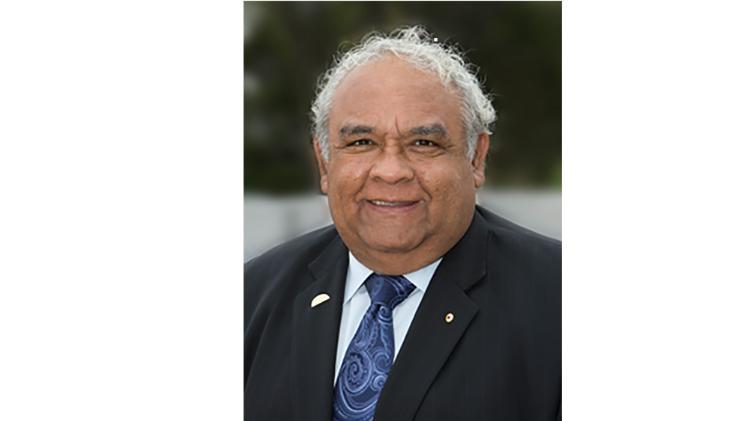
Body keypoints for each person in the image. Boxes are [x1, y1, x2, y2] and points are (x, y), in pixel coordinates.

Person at [245, 26, 560, 421]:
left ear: (476, 158)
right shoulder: (253, 295)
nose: (391, 171)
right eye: (362, 143)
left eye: (423, 143)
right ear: (325, 163)